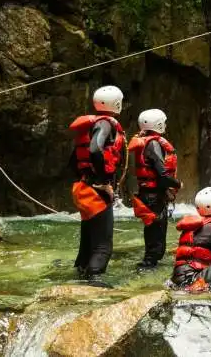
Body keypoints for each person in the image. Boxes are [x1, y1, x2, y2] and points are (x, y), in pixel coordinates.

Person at [68, 85, 126, 282]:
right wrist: (102, 182)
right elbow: (94, 150)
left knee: (88, 241)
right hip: (96, 191)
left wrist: (85, 179)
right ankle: (94, 281)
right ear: (116, 103)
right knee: (103, 245)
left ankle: (80, 275)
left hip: (82, 187)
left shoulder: (89, 126)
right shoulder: (106, 124)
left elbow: (72, 160)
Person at [128, 109, 182, 270]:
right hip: (153, 196)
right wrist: (177, 184)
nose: (165, 125)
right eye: (163, 122)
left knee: (153, 231)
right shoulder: (153, 144)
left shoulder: (146, 142)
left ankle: (149, 262)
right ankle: (148, 266)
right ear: (158, 124)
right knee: (156, 235)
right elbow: (163, 175)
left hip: (149, 194)